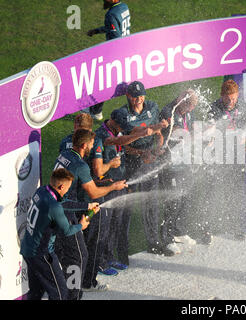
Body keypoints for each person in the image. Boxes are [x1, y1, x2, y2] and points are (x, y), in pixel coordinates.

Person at [54, 129, 128, 298]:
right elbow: (94, 193)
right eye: (92, 144)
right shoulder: (81, 165)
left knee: (63, 252)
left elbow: (76, 180)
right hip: (66, 213)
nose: (94, 147)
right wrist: (113, 187)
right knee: (79, 255)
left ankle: (62, 286)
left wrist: (95, 181)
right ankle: (74, 292)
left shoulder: (65, 155)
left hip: (56, 208)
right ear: (84, 145)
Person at [92, 108, 155, 275]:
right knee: (104, 227)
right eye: (121, 126)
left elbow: (126, 141)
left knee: (115, 224)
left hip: (119, 184)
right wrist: (139, 136)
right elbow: (119, 142)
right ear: (112, 121)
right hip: (107, 187)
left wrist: (152, 131)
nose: (122, 129)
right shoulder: (101, 135)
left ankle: (110, 257)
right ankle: (100, 263)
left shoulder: (117, 130)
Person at [117, 81, 171, 255]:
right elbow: (121, 144)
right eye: (135, 96)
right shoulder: (122, 114)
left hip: (150, 161)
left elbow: (158, 133)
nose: (139, 99)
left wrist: (157, 149)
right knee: (125, 206)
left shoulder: (153, 108)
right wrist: (142, 154)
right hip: (131, 163)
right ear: (128, 96)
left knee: (151, 203)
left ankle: (154, 243)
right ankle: (121, 249)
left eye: (141, 95)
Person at [20, 169, 92, 300]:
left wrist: (87, 206)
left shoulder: (41, 191)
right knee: (60, 293)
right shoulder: (54, 207)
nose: (68, 191)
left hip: (27, 250)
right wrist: (82, 225)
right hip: (43, 254)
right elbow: (67, 231)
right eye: (68, 188)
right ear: (61, 186)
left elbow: (63, 204)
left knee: (35, 292)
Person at [159, 89, 212, 248]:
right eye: (189, 107)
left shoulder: (188, 113)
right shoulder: (169, 111)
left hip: (185, 161)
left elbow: (191, 129)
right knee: (173, 200)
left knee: (185, 198)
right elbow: (173, 133)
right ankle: (166, 238)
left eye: (192, 108)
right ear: (182, 101)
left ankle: (178, 231)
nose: (190, 110)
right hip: (171, 163)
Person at [208, 80, 246, 238]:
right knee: (221, 189)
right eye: (228, 99)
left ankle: (238, 224)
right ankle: (220, 224)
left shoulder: (242, 106)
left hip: (239, 155)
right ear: (222, 96)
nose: (231, 102)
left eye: (234, 99)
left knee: (238, 189)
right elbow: (211, 132)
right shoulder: (213, 108)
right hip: (221, 155)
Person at [85, 0, 131, 120]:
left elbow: (116, 38)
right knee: (108, 82)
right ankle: (96, 110)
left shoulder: (111, 14)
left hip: (115, 53)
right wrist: (96, 31)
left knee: (103, 82)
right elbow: (115, 28)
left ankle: (96, 111)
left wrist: (108, 55)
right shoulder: (123, 6)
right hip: (127, 49)